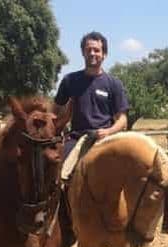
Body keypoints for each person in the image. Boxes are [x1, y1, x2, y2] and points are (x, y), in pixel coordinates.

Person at [54, 31, 129, 176]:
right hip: (77, 139)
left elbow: (123, 119)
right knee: (61, 172)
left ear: (104, 54)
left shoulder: (114, 84)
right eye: (88, 50)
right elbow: (55, 111)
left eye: (96, 50)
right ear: (83, 53)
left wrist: (108, 131)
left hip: (106, 138)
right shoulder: (70, 80)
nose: (92, 53)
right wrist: (60, 129)